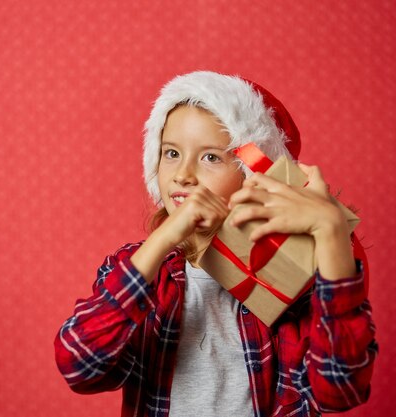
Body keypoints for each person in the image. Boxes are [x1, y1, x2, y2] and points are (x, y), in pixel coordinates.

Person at [54, 71, 377, 417]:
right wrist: (162, 240)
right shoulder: (142, 272)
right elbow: (79, 364)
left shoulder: (290, 278)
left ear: (251, 174)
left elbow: (340, 389)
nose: (183, 175)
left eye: (211, 157)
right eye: (172, 153)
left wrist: (330, 235)